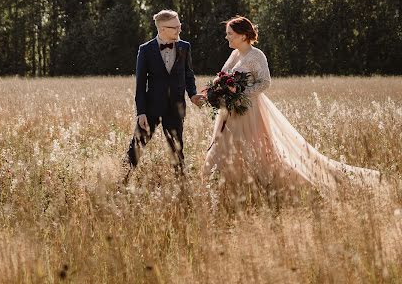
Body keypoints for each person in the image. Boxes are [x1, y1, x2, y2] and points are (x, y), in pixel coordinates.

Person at [203, 15, 381, 194]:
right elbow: (223, 75)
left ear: (242, 36)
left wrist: (241, 94)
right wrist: (217, 90)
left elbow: (265, 82)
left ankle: (263, 187)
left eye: (230, 34)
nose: (227, 37)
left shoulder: (256, 56)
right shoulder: (235, 54)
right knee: (225, 148)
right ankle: (227, 188)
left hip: (250, 110)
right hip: (231, 111)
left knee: (255, 148)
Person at [125, 10, 204, 179]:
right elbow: (140, 84)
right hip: (151, 108)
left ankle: (182, 188)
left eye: (179, 26)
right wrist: (141, 112)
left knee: (177, 150)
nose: (179, 30)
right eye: (175, 27)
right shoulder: (145, 50)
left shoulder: (185, 47)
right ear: (162, 29)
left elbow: (188, 75)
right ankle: (121, 183)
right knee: (136, 148)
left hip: (176, 108)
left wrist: (193, 95)